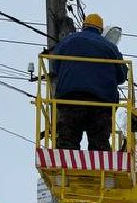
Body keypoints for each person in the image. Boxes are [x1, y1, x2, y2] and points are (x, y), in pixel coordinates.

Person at [50, 14, 127, 150]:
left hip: (70, 100)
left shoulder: (68, 41)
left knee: (68, 139)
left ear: (83, 26)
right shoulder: (109, 47)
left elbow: (55, 66)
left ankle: (66, 160)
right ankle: (100, 160)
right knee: (99, 142)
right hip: (101, 104)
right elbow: (122, 75)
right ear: (100, 30)